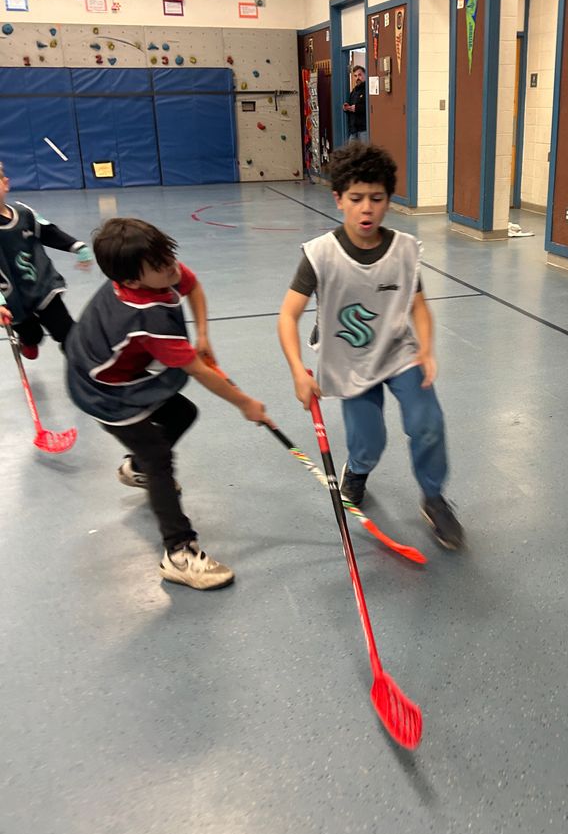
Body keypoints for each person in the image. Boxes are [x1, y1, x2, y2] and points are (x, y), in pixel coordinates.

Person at [66, 218, 271, 590]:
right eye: (160, 265)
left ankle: (135, 467)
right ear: (130, 281)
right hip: (104, 390)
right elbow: (198, 372)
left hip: (120, 371)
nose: (171, 267)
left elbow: (192, 287)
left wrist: (204, 335)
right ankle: (179, 553)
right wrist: (245, 403)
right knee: (159, 456)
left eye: (168, 255)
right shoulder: (147, 317)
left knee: (182, 412)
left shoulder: (156, 270)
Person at [277, 142, 464, 550]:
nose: (367, 209)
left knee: (427, 423)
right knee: (370, 439)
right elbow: (287, 316)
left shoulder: (402, 251)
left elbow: (419, 307)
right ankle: (358, 469)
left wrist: (427, 350)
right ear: (338, 199)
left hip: (399, 352)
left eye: (376, 199)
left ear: (388, 200)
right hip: (349, 360)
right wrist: (297, 371)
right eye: (356, 198)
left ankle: (433, 498)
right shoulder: (319, 255)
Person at [0, 160, 92, 356]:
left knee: (67, 331)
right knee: (33, 335)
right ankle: (28, 340)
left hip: (42, 286)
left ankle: (81, 363)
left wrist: (76, 246)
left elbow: (48, 231)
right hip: (10, 297)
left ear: (5, 183)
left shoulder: (24, 214)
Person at [342, 65, 367, 143]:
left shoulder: (368, 89)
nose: (357, 78)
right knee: (351, 154)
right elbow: (350, 104)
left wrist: (356, 108)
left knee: (364, 153)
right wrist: (346, 107)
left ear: (365, 74)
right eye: (355, 76)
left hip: (363, 129)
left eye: (360, 75)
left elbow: (369, 107)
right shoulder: (354, 91)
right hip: (353, 129)